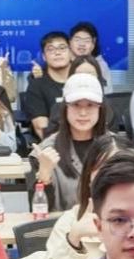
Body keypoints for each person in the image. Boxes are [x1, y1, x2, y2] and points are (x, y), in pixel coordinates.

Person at [31, 73, 110, 213]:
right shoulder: (44, 151)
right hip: (61, 225)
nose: (83, 113)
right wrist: (44, 176)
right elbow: (38, 212)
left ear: (100, 108)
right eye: (76, 105)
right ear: (65, 108)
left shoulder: (118, 149)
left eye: (90, 105)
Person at [44, 56, 120, 137]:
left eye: (90, 74)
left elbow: (113, 137)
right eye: (79, 74)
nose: (85, 78)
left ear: (98, 77)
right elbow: (51, 137)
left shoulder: (109, 108)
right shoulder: (58, 108)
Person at [20, 31, 72, 135]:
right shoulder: (36, 85)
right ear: (44, 56)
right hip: (53, 142)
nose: (57, 53)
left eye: (62, 48)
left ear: (71, 53)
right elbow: (41, 128)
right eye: (51, 49)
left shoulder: (82, 80)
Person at [69, 21, 113, 92]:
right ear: (70, 42)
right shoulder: (63, 62)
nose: (82, 44)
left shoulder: (101, 65)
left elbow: (107, 92)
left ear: (93, 44)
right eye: (77, 40)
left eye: (87, 41)